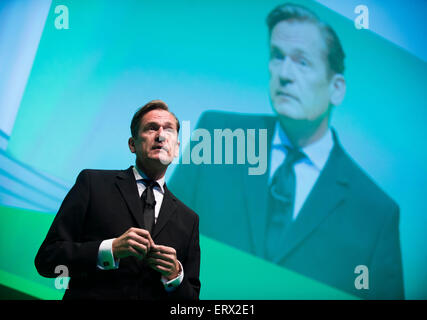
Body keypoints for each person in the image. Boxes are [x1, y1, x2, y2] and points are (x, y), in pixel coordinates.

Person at [168, 3, 403, 299]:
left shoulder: (376, 212)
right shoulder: (217, 135)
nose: (284, 74)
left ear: (337, 88)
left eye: (302, 62)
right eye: (277, 56)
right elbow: (163, 239)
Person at [35, 100, 201, 300]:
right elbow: (47, 259)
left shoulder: (189, 220)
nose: (160, 135)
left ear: (176, 148)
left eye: (168, 130)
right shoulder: (93, 184)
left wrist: (175, 276)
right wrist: (110, 249)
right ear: (133, 144)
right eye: (151, 128)